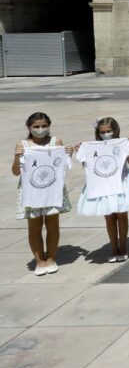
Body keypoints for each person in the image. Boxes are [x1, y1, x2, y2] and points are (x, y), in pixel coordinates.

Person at [12, 112, 74, 276]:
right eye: (36, 127)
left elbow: (64, 167)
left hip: (52, 189)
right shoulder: (23, 145)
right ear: (29, 127)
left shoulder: (56, 142)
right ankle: (39, 261)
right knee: (34, 227)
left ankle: (51, 258)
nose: (41, 129)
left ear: (49, 126)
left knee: (53, 225)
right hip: (31, 191)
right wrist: (16, 157)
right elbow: (16, 172)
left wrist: (68, 153)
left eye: (44, 126)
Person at [75, 117, 129, 263]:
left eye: (108, 131)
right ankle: (114, 248)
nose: (105, 134)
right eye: (102, 132)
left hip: (121, 182)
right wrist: (82, 152)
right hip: (102, 183)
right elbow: (89, 167)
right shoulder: (93, 146)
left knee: (121, 215)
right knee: (109, 217)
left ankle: (123, 247)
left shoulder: (123, 142)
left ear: (115, 130)